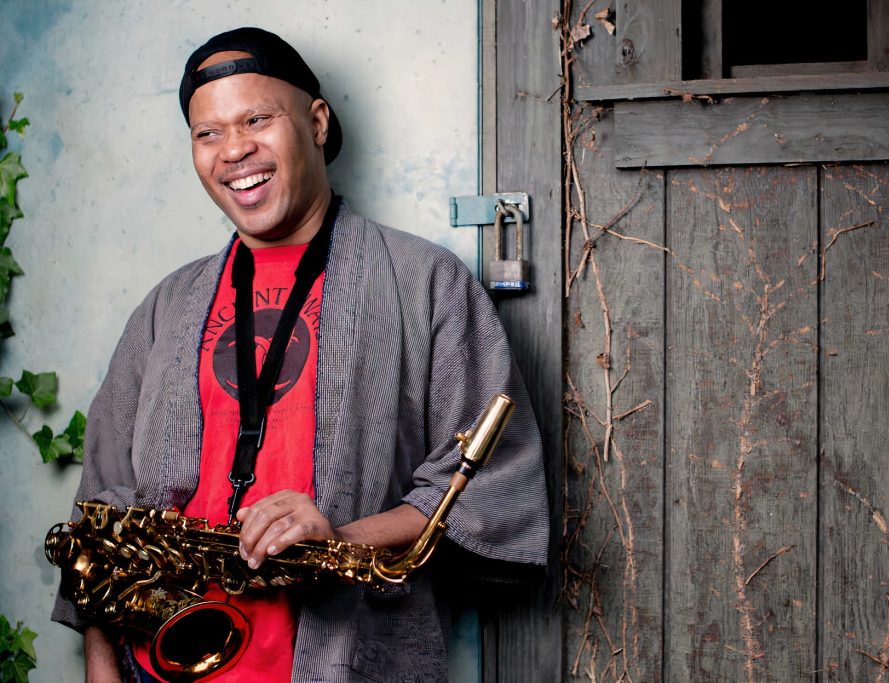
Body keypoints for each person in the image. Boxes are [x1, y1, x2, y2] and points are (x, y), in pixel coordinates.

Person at [51, 26, 548, 682]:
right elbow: (100, 514)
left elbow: (484, 484)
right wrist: (99, 665)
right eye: (208, 133)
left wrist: (341, 538)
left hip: (341, 663)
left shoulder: (427, 282)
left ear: (317, 122)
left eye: (257, 118)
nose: (234, 150)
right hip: (155, 663)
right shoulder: (165, 304)